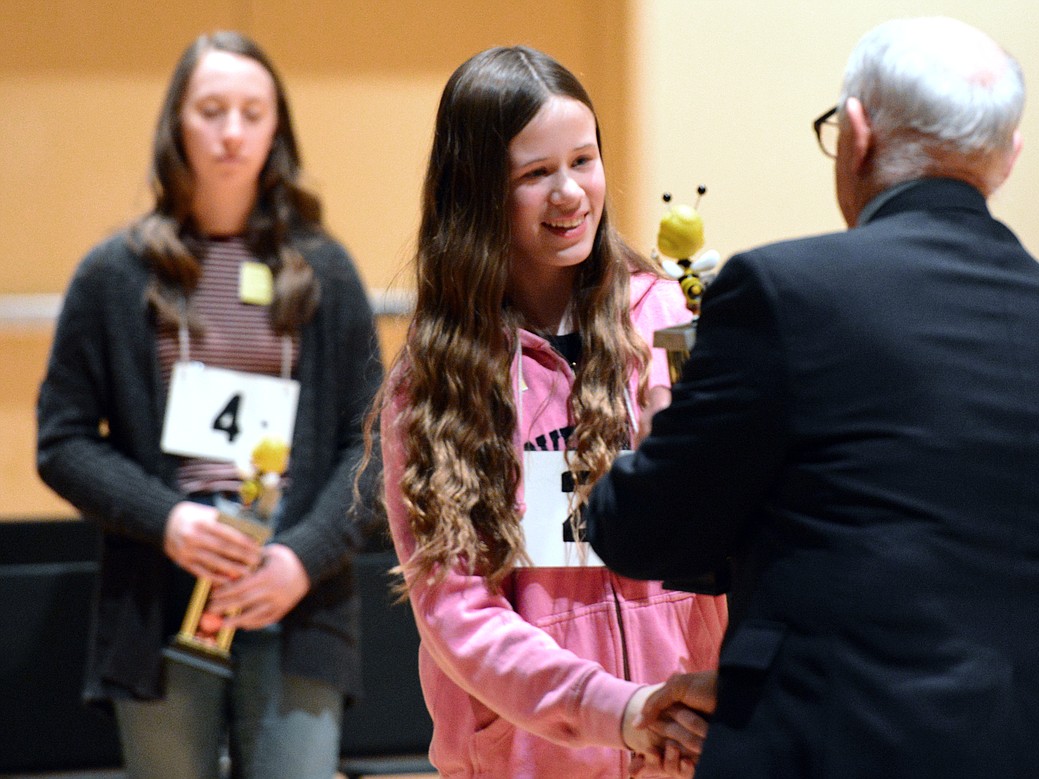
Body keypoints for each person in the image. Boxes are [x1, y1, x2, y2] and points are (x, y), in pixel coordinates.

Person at [585, 16, 1039, 778]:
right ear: (1008, 158)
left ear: (857, 133)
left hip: (835, 746)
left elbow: (638, 530)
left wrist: (669, 424)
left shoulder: (786, 295)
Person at [36, 31, 383, 779]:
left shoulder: (327, 270)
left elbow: (376, 447)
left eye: (252, 112)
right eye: (212, 110)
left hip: (296, 596)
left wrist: (301, 556)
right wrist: (171, 519)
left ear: (275, 131)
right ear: (176, 125)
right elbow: (62, 440)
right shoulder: (113, 274)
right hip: (162, 600)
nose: (231, 132)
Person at [375, 45, 727, 778]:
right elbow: (458, 615)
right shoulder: (437, 379)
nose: (570, 193)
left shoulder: (668, 323)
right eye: (535, 174)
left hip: (691, 744)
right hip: (534, 760)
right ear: (476, 195)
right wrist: (619, 710)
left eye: (584, 160)